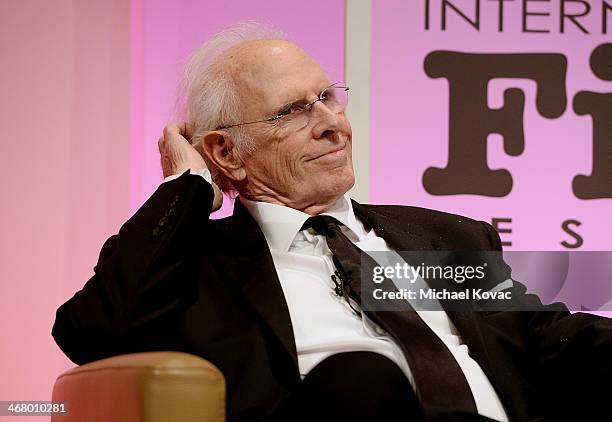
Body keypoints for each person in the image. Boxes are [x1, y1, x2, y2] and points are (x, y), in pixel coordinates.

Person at [53, 23, 612, 422]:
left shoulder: (445, 240)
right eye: (293, 111)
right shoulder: (195, 269)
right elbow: (94, 332)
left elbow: (547, 340)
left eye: (327, 97)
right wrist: (188, 187)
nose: (333, 126)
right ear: (226, 152)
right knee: (360, 379)